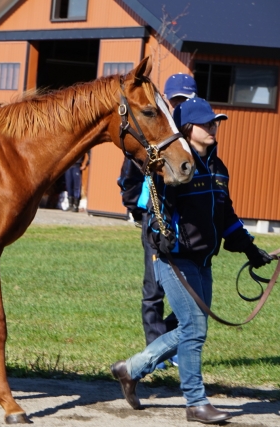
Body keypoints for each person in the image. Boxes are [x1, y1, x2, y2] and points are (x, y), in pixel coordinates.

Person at [111, 98, 274, 424]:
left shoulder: (217, 167)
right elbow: (151, 208)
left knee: (190, 329)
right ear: (187, 129)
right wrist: (161, 236)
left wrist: (250, 249)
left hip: (203, 261)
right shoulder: (172, 165)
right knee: (194, 329)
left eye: (215, 122)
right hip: (174, 260)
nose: (213, 127)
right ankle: (196, 402)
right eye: (206, 123)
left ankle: (130, 369)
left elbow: (225, 215)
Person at [117, 73, 198, 366]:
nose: (178, 107)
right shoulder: (152, 133)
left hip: (190, 225)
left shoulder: (196, 139)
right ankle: (156, 349)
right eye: (174, 101)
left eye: (184, 102)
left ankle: (171, 343)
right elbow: (128, 177)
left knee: (189, 288)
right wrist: (138, 210)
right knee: (153, 290)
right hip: (156, 221)